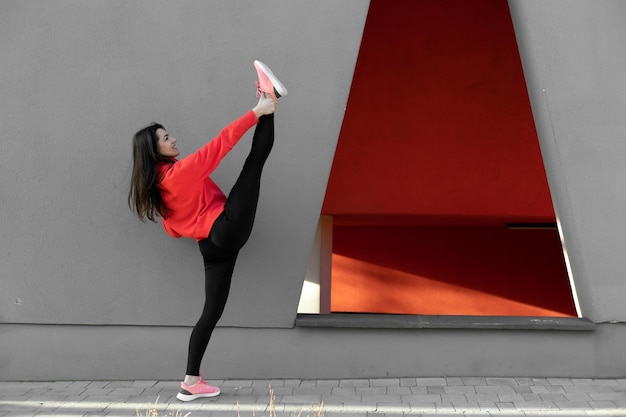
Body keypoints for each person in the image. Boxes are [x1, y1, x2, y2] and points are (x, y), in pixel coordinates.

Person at [128, 61, 287, 401]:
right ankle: (267, 100)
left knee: (210, 312)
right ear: (155, 150)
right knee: (253, 164)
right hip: (225, 229)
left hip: (212, 247)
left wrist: (197, 218)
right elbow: (219, 145)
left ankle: (190, 382)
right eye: (167, 138)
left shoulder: (160, 188)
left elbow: (173, 231)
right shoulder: (178, 174)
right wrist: (256, 112)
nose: (173, 139)